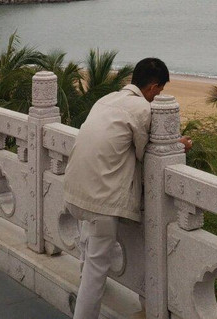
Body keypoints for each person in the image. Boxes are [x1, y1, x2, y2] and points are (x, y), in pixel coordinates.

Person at [63, 58, 190, 319]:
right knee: (95, 275)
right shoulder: (142, 109)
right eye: (160, 91)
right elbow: (147, 152)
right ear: (154, 87)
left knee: (88, 250)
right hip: (100, 201)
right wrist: (179, 145)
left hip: (74, 190)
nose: (158, 96)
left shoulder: (107, 99)